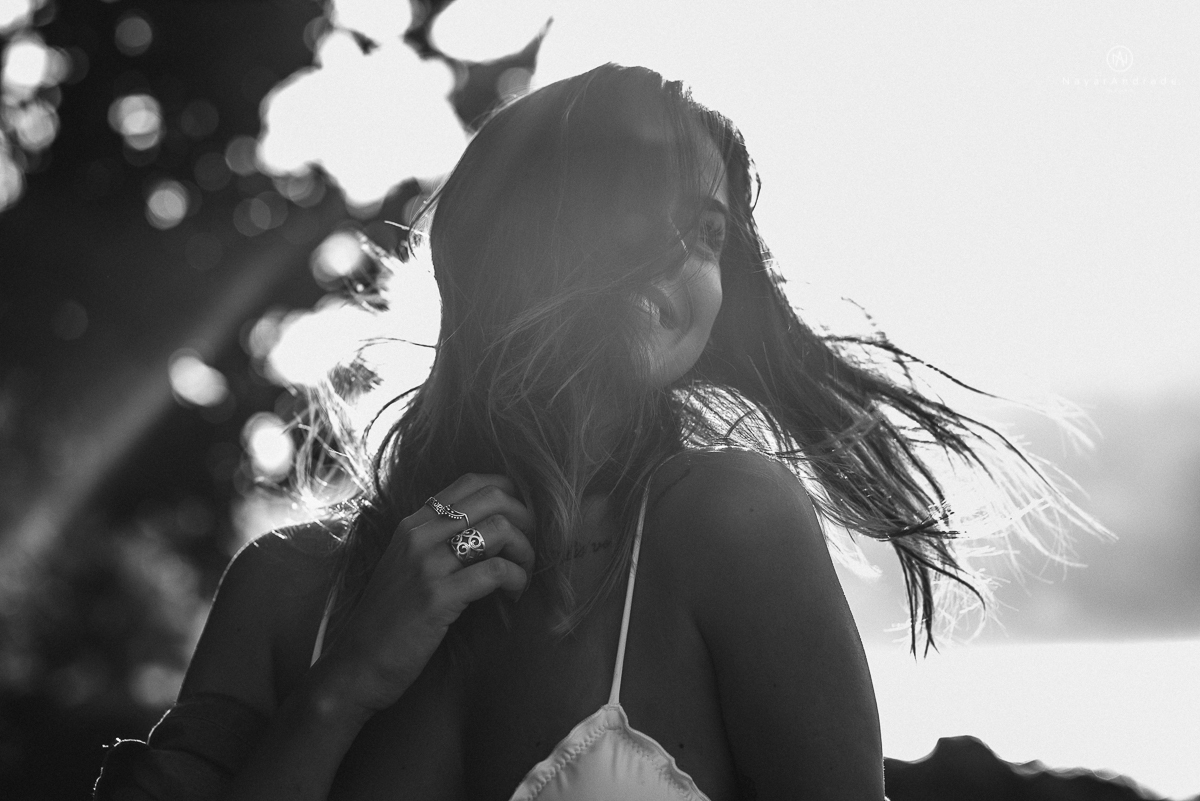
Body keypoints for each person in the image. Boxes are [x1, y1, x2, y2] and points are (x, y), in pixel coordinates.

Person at [96, 63, 1080, 801]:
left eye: (706, 231)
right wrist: (340, 689)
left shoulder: (728, 528)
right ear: (501, 245)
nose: (680, 258)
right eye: (629, 207)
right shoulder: (283, 591)